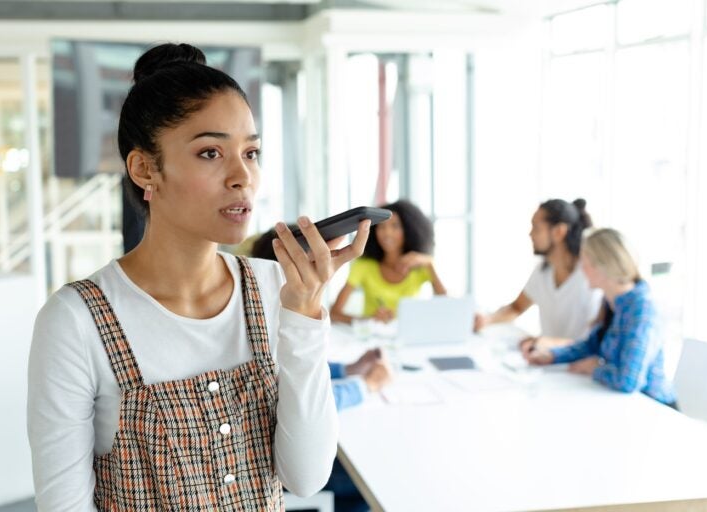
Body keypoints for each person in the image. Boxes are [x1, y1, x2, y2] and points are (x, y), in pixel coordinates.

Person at [27, 43, 371, 511]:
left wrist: (306, 316)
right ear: (145, 168)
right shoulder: (76, 320)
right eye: (211, 152)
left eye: (251, 152)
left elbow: (307, 477)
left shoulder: (275, 288)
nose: (242, 176)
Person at [524, 228, 677, 406]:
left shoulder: (642, 309)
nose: (582, 268)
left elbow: (628, 381)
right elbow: (591, 345)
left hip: (653, 407)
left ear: (603, 266)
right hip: (622, 402)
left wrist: (593, 368)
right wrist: (552, 356)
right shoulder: (612, 301)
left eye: (585, 261)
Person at [250, 225, 393, 410]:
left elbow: (302, 369)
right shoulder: (266, 332)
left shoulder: (270, 310)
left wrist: (349, 369)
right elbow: (307, 404)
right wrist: (367, 384)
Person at [475, 198, 602, 347]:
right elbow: (516, 307)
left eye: (536, 228)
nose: (530, 234)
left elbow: (595, 342)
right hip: (545, 360)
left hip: (576, 364)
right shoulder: (543, 271)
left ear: (559, 232)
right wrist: (487, 320)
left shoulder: (591, 275)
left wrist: (544, 343)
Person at [330, 199, 447, 324]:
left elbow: (446, 305)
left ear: (409, 231)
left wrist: (429, 262)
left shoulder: (421, 267)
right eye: (382, 226)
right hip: (374, 339)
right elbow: (334, 314)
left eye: (395, 226)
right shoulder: (364, 265)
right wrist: (370, 320)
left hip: (409, 337)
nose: (387, 233)